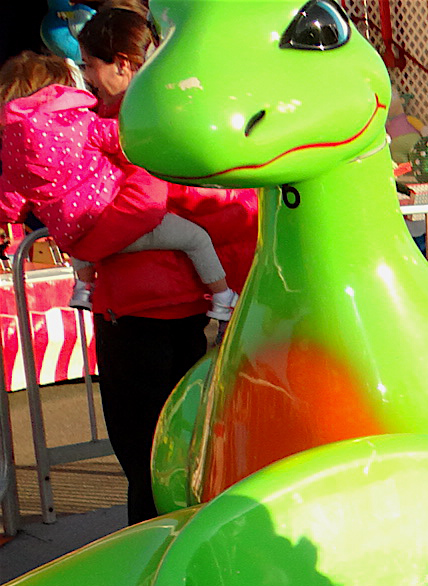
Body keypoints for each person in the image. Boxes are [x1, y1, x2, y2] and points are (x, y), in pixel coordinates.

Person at [72, 7, 259, 524]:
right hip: (166, 302)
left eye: (91, 64)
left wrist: (85, 245)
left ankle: (152, 571)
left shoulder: (137, 121)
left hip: (144, 309)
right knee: (170, 455)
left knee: (149, 459)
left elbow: (141, 200)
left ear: (125, 65)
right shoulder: (163, 110)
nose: (86, 76)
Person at [0, 52, 238, 318]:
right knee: (196, 238)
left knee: (74, 232)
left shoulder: (11, 153)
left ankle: (83, 289)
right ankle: (222, 297)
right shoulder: (80, 123)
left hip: (76, 232)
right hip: (118, 218)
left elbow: (10, 205)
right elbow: (124, 142)